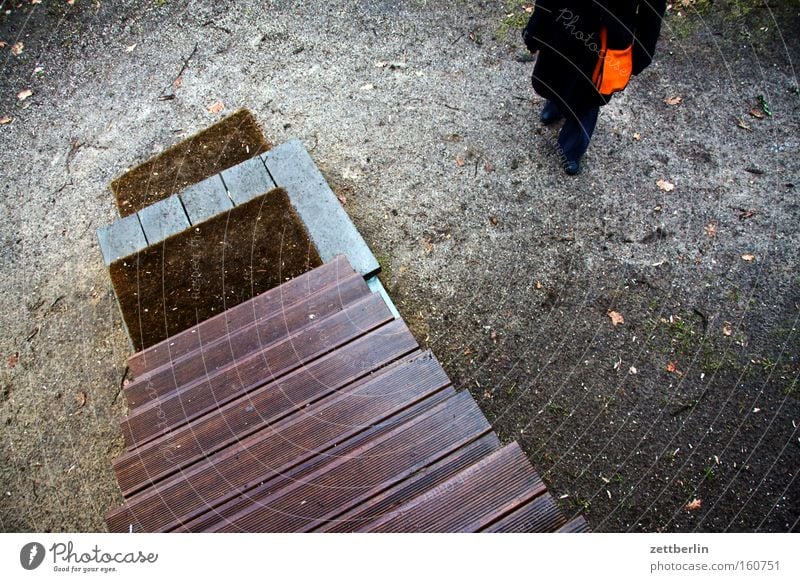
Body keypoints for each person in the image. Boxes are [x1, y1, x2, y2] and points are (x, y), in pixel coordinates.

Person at [523, 0, 667, 174]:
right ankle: (555, 105)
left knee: (588, 98)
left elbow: (652, 11)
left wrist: (642, 53)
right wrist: (536, 24)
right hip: (564, 22)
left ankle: (572, 146)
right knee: (554, 76)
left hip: (605, 42)